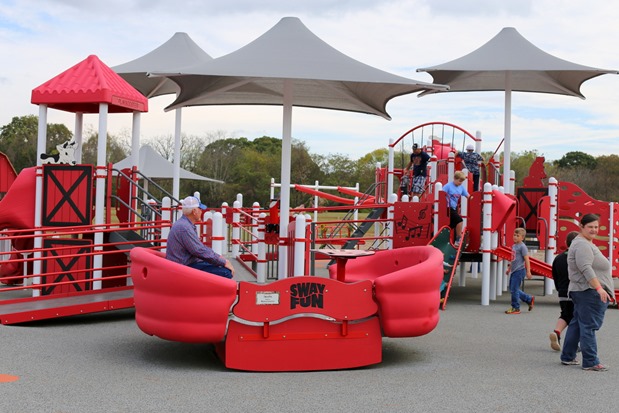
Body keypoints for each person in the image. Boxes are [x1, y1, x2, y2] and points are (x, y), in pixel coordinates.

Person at [560, 213, 614, 371]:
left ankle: (568, 356)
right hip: (588, 291)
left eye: (596, 227)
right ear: (581, 227)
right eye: (590, 227)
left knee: (577, 324)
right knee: (588, 326)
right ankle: (591, 361)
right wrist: (599, 288)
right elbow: (585, 268)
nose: (594, 230)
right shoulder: (583, 245)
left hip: (583, 291)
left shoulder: (583, 242)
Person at [166, 196, 235, 279]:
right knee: (226, 272)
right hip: (183, 267)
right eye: (200, 209)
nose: (202, 211)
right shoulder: (185, 228)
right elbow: (198, 250)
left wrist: (218, 258)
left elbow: (199, 248)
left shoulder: (184, 224)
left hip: (183, 264)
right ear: (194, 211)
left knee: (219, 266)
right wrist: (223, 262)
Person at [549, 231, 579, 351]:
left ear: (566, 243)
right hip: (575, 291)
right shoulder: (577, 258)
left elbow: (554, 275)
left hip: (562, 292)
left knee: (565, 314)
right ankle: (572, 344)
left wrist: (558, 288)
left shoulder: (558, 258)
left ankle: (557, 332)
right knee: (576, 318)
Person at [505, 227, 534, 315]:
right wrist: (509, 268)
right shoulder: (514, 246)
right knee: (513, 289)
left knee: (514, 290)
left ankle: (516, 307)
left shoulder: (522, 247)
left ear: (522, 238)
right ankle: (529, 299)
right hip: (514, 270)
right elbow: (512, 258)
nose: (515, 237)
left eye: (517, 236)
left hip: (520, 270)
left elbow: (527, 259)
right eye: (514, 235)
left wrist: (528, 271)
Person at [442, 171, 469, 246]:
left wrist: (475, 199)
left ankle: (444, 238)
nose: (460, 183)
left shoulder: (461, 187)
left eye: (462, 181)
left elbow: (468, 196)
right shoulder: (448, 186)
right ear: (454, 178)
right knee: (459, 220)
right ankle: (458, 238)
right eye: (459, 181)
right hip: (447, 207)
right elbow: (441, 194)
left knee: (451, 225)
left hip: (454, 208)